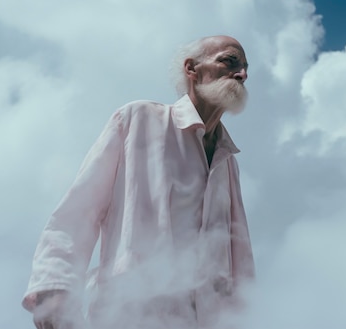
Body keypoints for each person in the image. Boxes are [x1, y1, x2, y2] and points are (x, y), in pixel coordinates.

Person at [22, 35, 255, 329]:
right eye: (229, 62)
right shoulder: (139, 120)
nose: (242, 74)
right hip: (133, 314)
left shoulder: (227, 161)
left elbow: (240, 258)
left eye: (246, 68)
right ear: (191, 69)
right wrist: (54, 288)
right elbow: (80, 211)